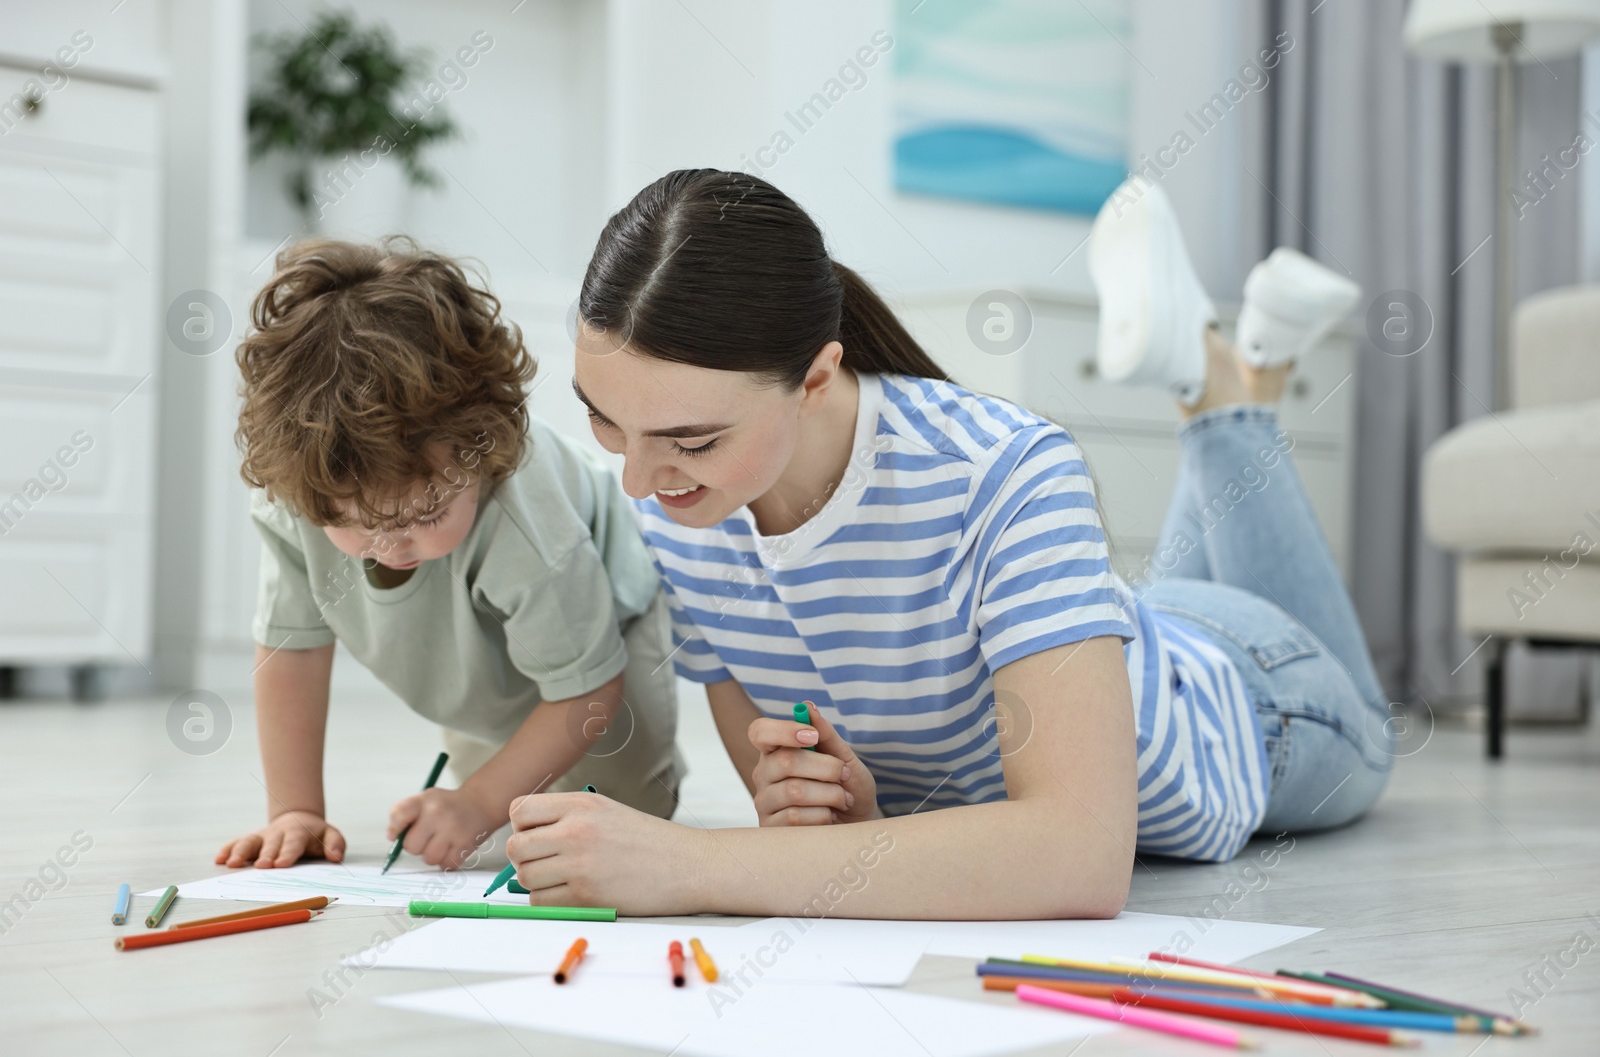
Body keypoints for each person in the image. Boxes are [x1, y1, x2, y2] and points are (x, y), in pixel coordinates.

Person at [503, 169, 1391, 920]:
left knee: (1376, 725)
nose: (637, 482)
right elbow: (823, 843)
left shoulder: (1005, 471)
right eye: (605, 421)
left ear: (816, 376)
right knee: (1136, 609)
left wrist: (688, 864)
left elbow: (1080, 856)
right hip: (1115, 636)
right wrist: (835, 811)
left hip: (1249, 699)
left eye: (691, 441)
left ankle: (1231, 388)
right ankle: (1237, 371)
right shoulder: (681, 509)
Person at [216, 238, 682, 872]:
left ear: (483, 450)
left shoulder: (526, 524)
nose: (390, 543)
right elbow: (289, 654)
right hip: (479, 652)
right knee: (497, 804)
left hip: (605, 642)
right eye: (352, 525)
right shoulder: (300, 494)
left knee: (627, 811)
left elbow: (590, 691)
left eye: (426, 514)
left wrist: (481, 800)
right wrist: (294, 809)